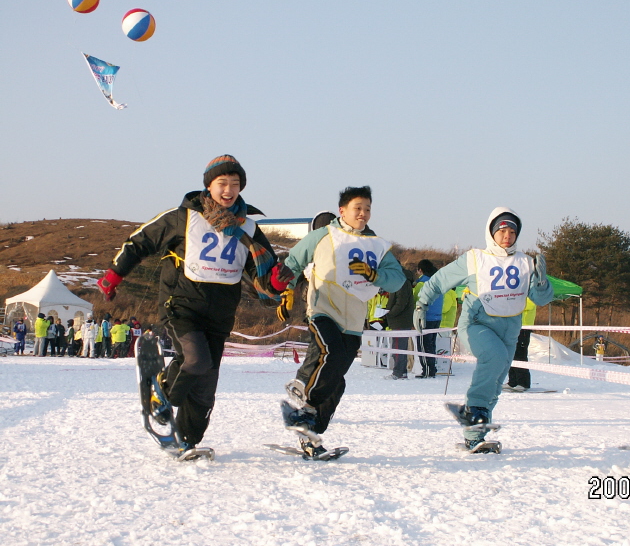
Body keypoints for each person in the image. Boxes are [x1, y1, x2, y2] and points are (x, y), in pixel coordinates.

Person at [96, 155, 283, 454]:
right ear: (208, 186)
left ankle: (188, 441)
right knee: (195, 361)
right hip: (181, 304)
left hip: (220, 314)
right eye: (222, 183)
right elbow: (139, 242)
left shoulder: (248, 228)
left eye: (235, 184)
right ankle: (162, 394)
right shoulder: (184, 217)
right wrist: (114, 274)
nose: (228, 190)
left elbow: (263, 272)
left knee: (205, 390)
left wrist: (277, 283)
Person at [276, 186, 405, 458]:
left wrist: (374, 274)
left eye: (368, 209)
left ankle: (311, 433)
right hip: (323, 309)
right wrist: (286, 292)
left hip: (354, 320)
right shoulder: (323, 235)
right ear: (342, 210)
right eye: (357, 208)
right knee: (330, 352)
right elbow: (293, 262)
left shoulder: (378, 244)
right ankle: (305, 406)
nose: (363, 213)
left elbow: (397, 279)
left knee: (338, 381)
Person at [414, 207, 554, 451]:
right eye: (502, 230)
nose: (507, 236)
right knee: (494, 357)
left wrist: (541, 283)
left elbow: (541, 299)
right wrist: (422, 303)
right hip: (476, 323)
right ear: (491, 232)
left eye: (512, 231)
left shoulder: (525, 262)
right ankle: (474, 410)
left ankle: (474, 435)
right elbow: (440, 280)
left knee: (497, 380)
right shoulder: (475, 259)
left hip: (509, 328)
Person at [413, 260, 443, 378]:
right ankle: (433, 368)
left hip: (425, 318)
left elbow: (416, 300)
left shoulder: (422, 284)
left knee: (423, 345)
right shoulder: (437, 282)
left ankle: (426, 370)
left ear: (420, 270)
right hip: (437, 317)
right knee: (431, 344)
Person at [385, 267, 415, 380]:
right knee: (398, 347)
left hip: (400, 321)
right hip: (398, 320)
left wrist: (390, 313)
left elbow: (400, 303)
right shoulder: (400, 282)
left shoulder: (402, 283)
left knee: (398, 347)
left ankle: (399, 372)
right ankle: (400, 371)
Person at [504, 298, 537, 392]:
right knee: (511, 354)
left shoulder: (529, 295)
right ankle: (512, 381)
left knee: (520, 354)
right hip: (513, 326)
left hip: (524, 327)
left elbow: (529, 305)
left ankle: (523, 383)